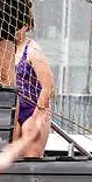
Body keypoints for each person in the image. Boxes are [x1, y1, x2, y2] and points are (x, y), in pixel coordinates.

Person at [11, 12, 53, 158]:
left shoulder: (33, 51)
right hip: (16, 109)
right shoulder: (8, 49)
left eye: (16, 27)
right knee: (11, 159)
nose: (12, 30)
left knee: (31, 159)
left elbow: (48, 88)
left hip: (34, 108)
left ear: (26, 26)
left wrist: (36, 118)